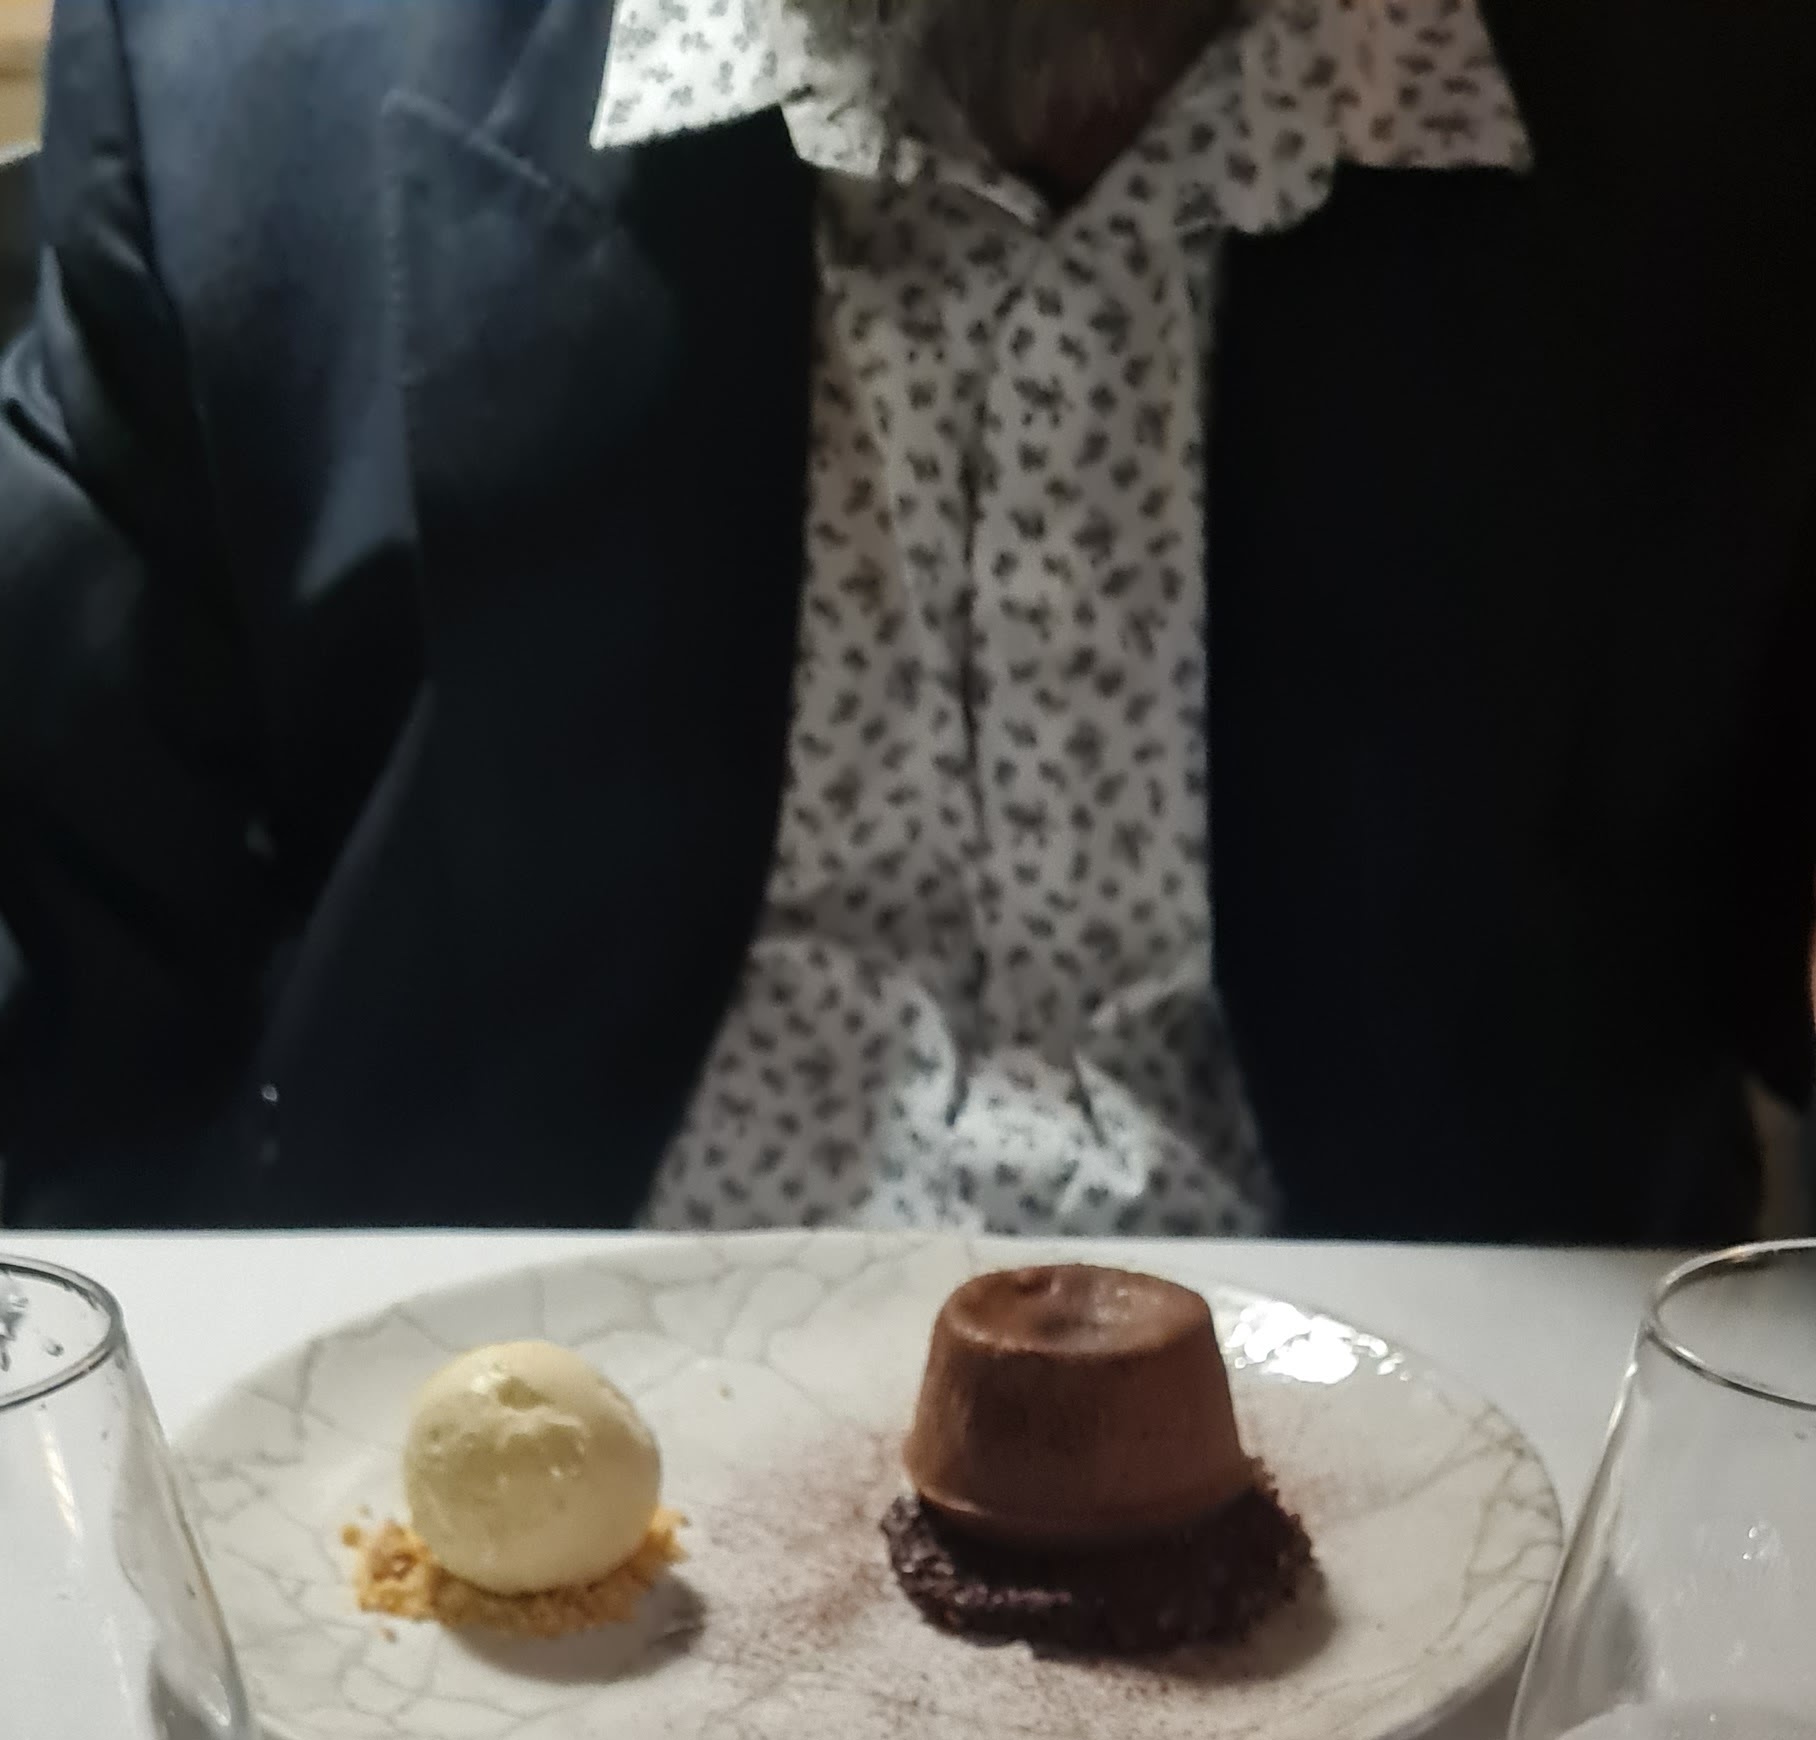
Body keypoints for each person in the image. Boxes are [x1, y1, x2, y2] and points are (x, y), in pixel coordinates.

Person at [0, 0, 1813, 1243]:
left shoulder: (1741, 115)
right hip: (480, 1535)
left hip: (1504, 1549)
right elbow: (69, 983)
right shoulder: (236, 82)